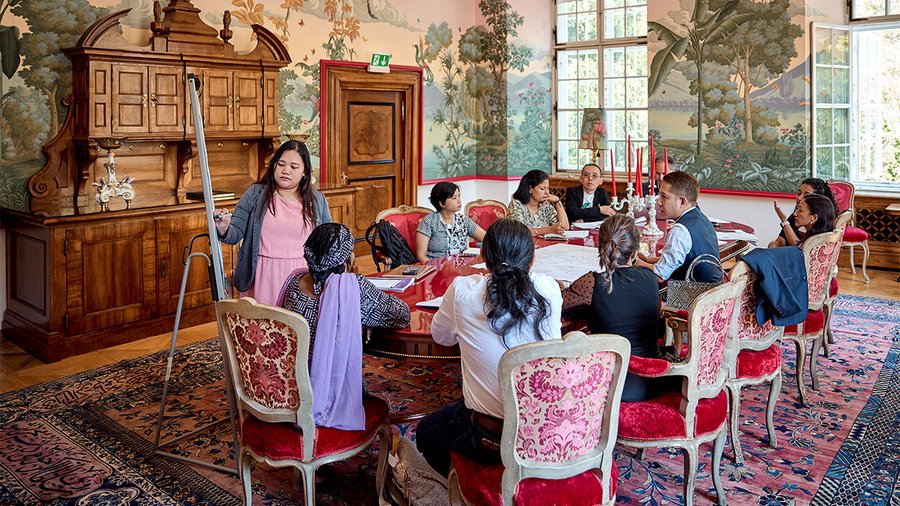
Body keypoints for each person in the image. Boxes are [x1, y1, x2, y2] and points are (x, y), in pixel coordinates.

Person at [415, 219, 563, 476]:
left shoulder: (462, 289)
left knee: (426, 433)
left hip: (488, 433)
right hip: (545, 427)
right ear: (532, 260)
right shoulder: (548, 289)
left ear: (483, 256)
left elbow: (441, 337)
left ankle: (465, 487)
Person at [280, 223, 411, 428]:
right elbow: (401, 314)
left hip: (288, 385)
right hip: (324, 396)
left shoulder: (293, 283)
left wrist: (359, 316)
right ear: (347, 258)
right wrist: (364, 318)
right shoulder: (353, 288)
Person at [562, 214, 678, 401]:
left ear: (602, 249)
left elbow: (558, 304)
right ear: (634, 253)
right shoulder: (649, 277)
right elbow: (657, 331)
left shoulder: (592, 283)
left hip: (616, 386)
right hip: (656, 377)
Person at [215, 140, 331, 305]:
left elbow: (327, 240)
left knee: (296, 328)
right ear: (274, 165)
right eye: (281, 164)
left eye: (293, 167)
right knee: (260, 328)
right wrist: (224, 228)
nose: (286, 171)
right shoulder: (255, 194)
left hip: (302, 279)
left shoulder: (317, 200)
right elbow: (235, 233)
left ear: (305, 171)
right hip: (262, 276)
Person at [635, 171, 722, 283]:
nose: (659, 202)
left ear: (682, 201)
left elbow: (659, 275)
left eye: (664, 197)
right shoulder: (701, 218)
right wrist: (647, 260)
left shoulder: (680, 230)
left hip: (695, 297)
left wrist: (635, 261)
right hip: (714, 293)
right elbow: (679, 261)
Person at [416, 182, 486, 263]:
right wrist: (435, 269)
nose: (459, 200)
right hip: (437, 267)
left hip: (461, 267)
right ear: (442, 203)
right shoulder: (428, 222)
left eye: (459, 196)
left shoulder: (463, 220)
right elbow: (421, 256)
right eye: (454, 198)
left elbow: (487, 238)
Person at [769, 177, 839, 248]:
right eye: (799, 193)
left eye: (806, 195)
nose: (799, 198)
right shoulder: (795, 215)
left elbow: (801, 250)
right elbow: (780, 241)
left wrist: (784, 221)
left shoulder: (823, 224)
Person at [507, 169, 570, 236]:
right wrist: (550, 229)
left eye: (548, 188)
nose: (546, 193)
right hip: (524, 245)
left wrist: (557, 201)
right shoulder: (516, 205)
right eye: (542, 189)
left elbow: (565, 227)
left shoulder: (545, 206)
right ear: (530, 188)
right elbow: (520, 232)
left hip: (545, 245)